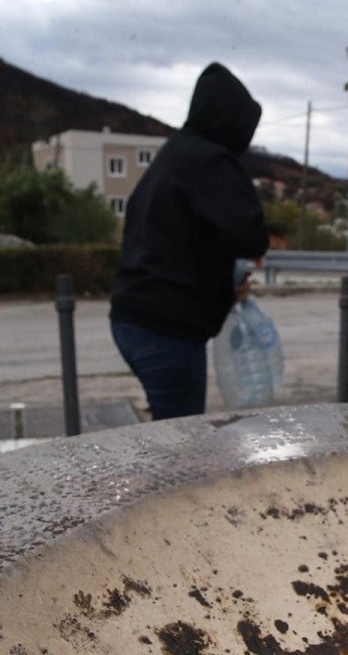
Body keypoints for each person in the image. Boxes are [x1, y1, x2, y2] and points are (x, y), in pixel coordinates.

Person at [109, 62, 269, 420]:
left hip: (131, 316)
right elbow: (251, 235)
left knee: (167, 430)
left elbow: (184, 235)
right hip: (167, 328)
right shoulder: (210, 162)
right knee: (181, 446)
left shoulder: (174, 154)